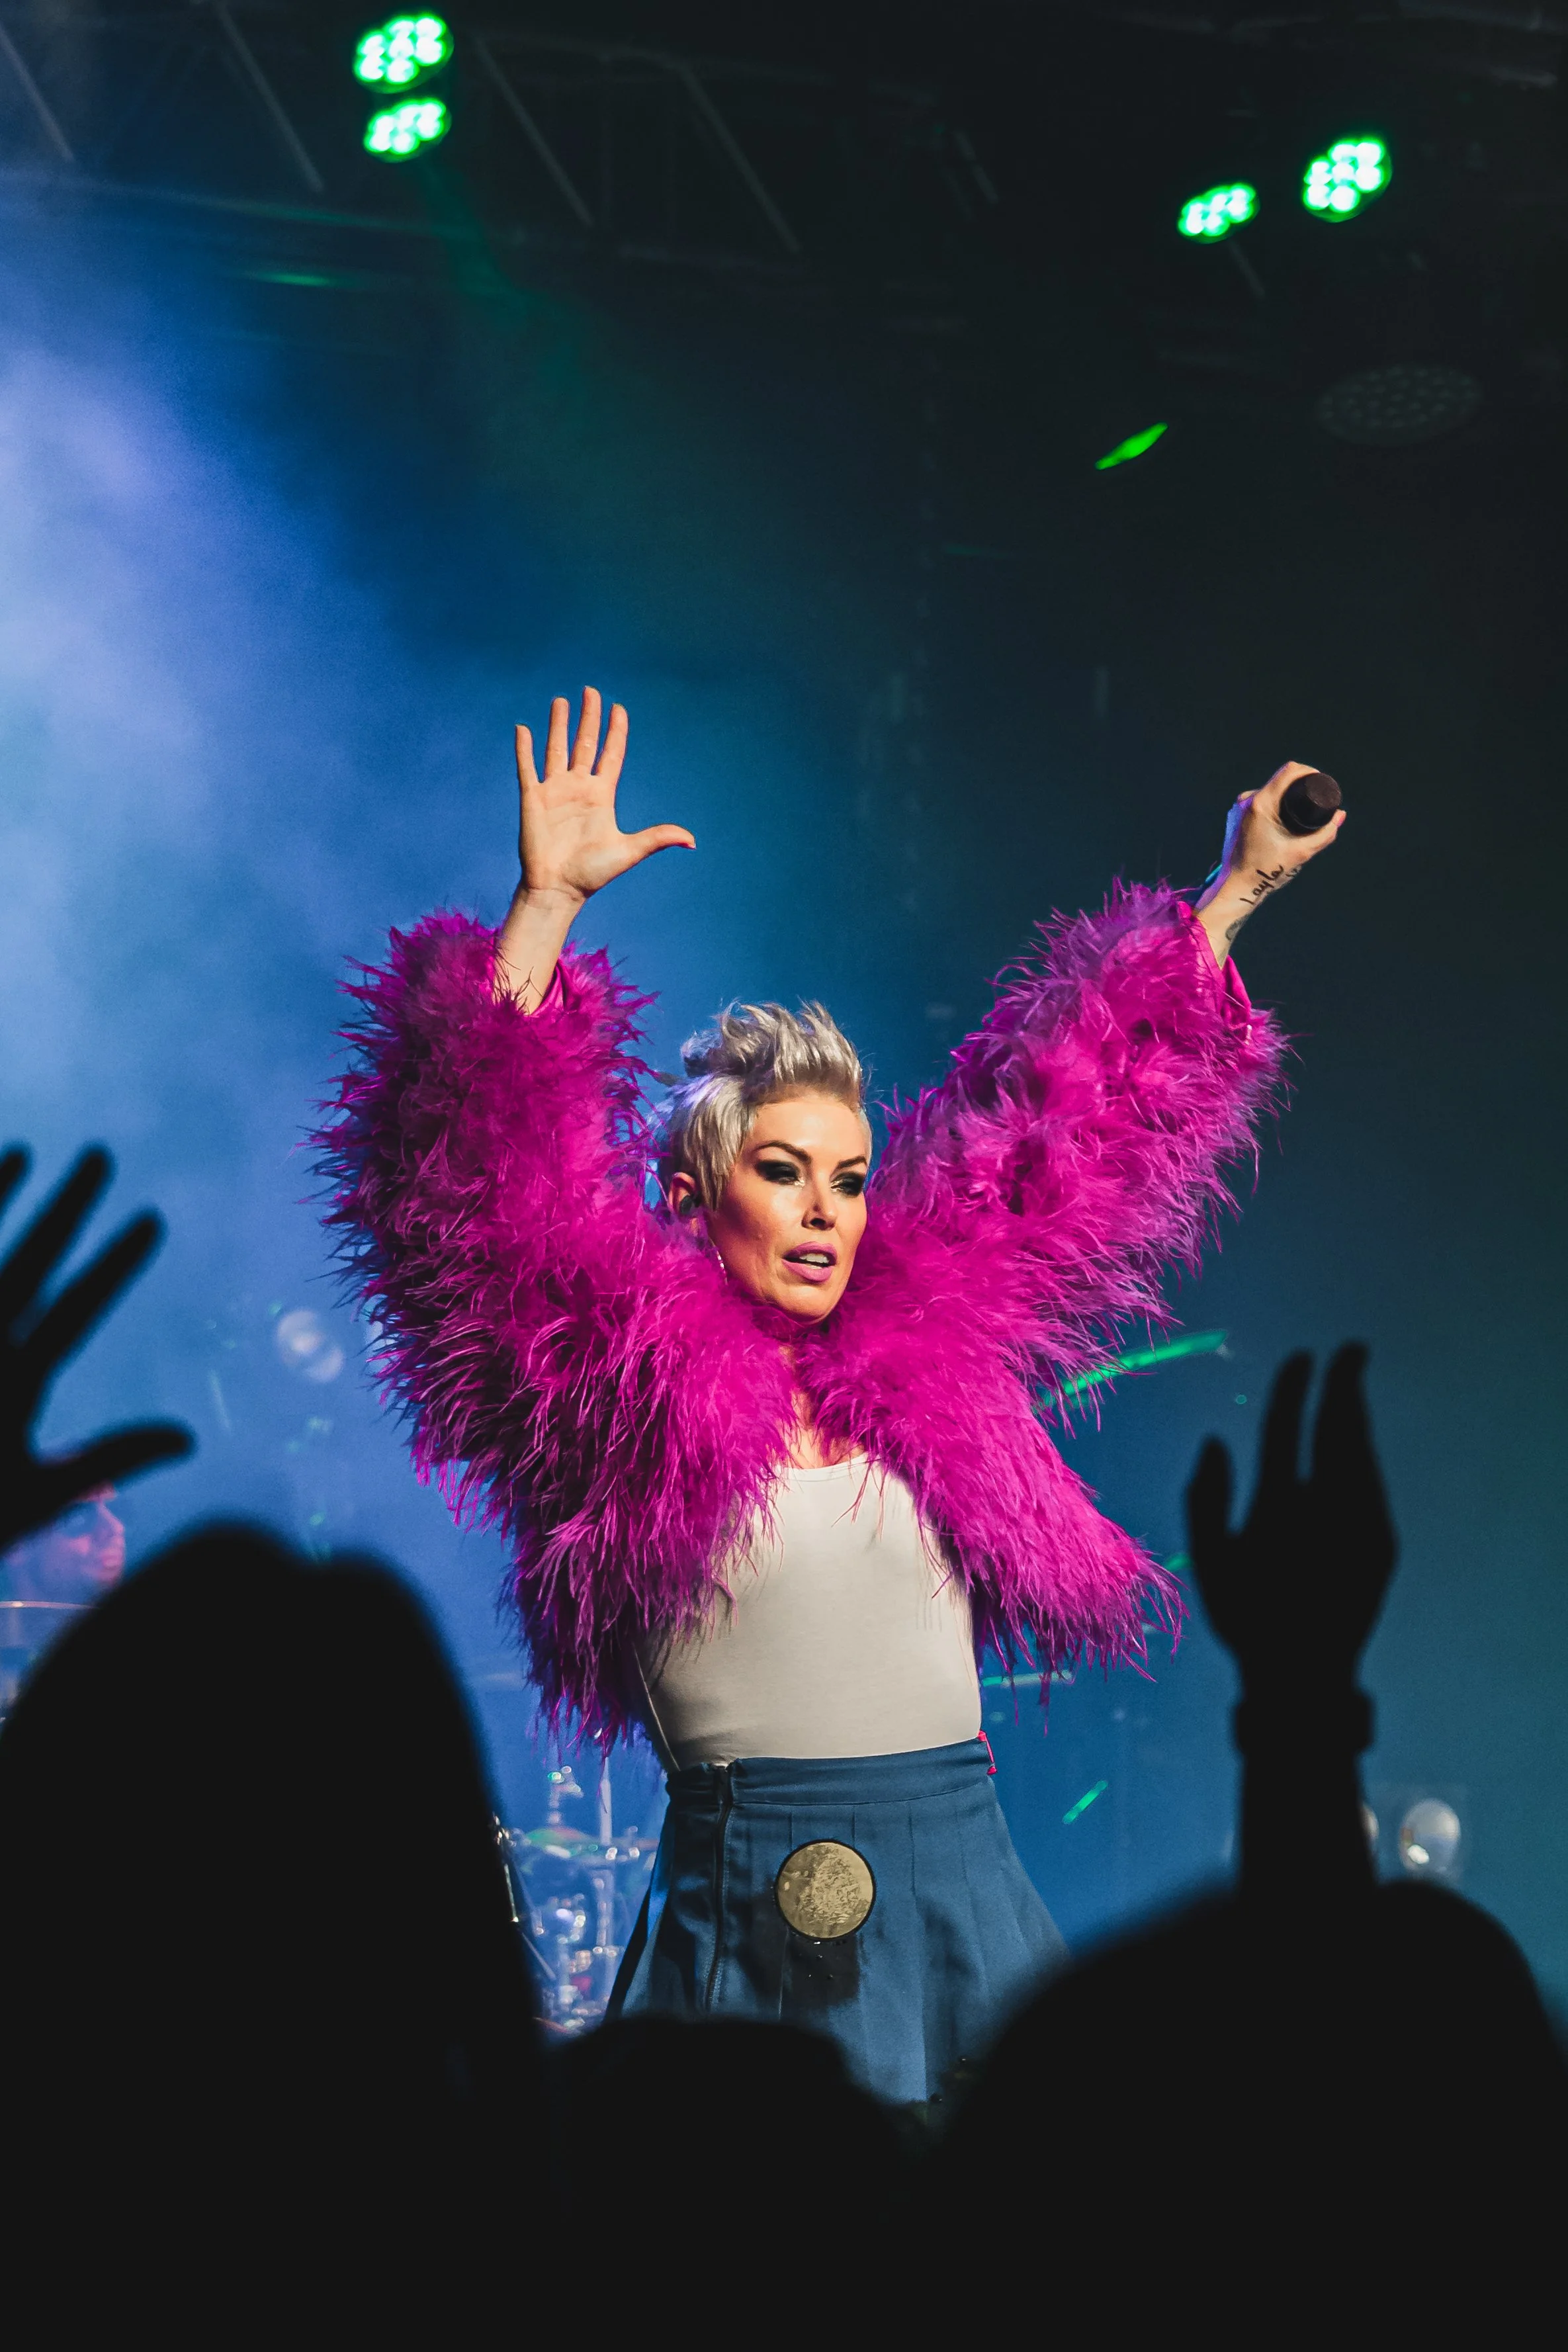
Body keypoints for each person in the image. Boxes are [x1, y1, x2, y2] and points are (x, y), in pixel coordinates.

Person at [318, 687, 1340, 2103]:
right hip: (738, 1910)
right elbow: (470, 1199)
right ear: (691, 1193)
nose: (825, 1210)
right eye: (781, 1170)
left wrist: (1230, 899)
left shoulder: (932, 1357)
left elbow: (1067, 1124)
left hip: (959, 1891)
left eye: (851, 1176)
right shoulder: (618, 1386)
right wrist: (543, 910)